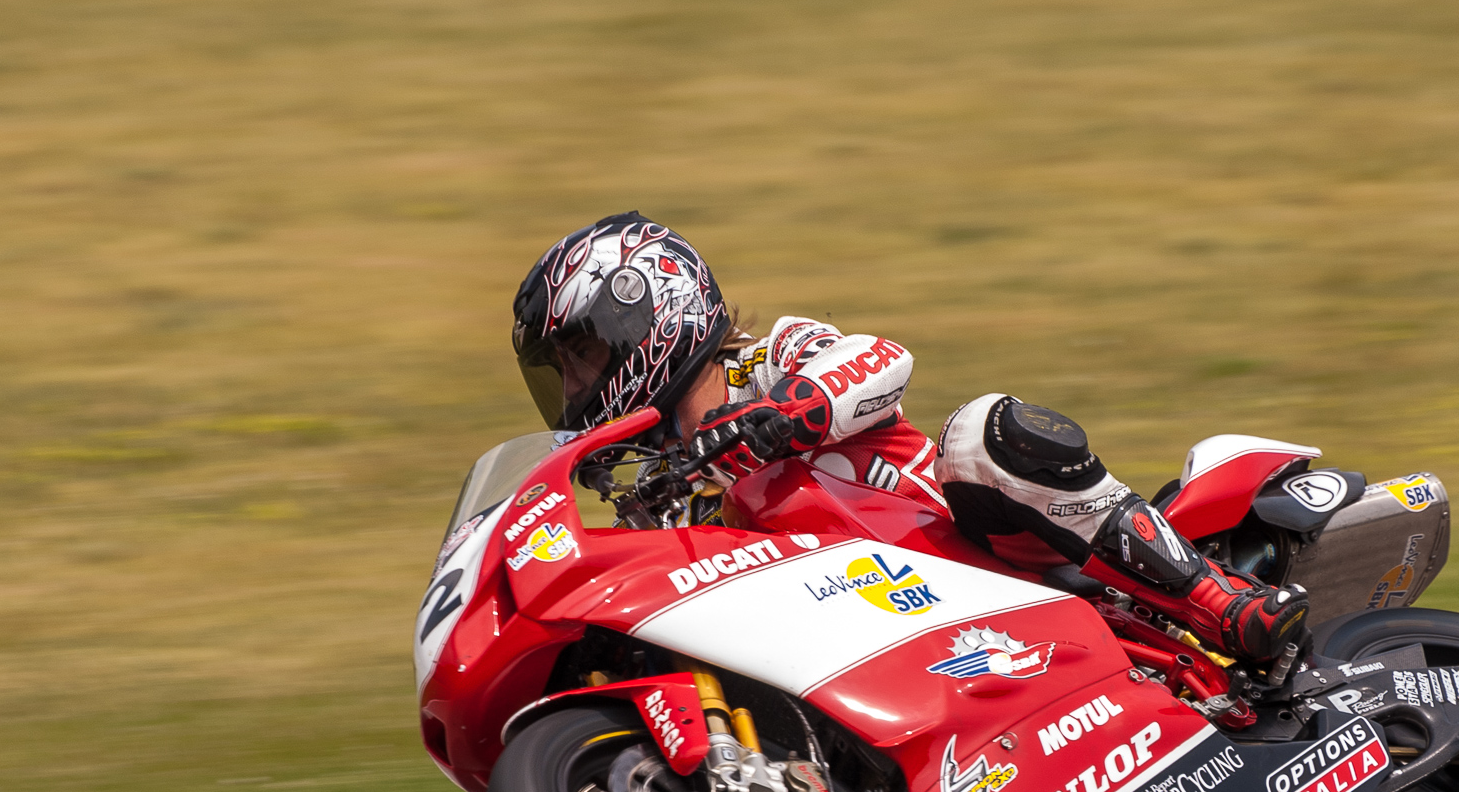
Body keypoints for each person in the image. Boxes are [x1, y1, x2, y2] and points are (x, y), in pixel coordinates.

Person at [511, 211, 1309, 665]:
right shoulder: (663, 501)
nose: (575, 392)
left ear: (645, 311)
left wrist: (779, 416)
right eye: (561, 373)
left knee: (984, 432)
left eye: (579, 358)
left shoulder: (768, 358)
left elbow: (883, 361)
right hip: (884, 636)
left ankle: (1219, 599)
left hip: (977, 547)